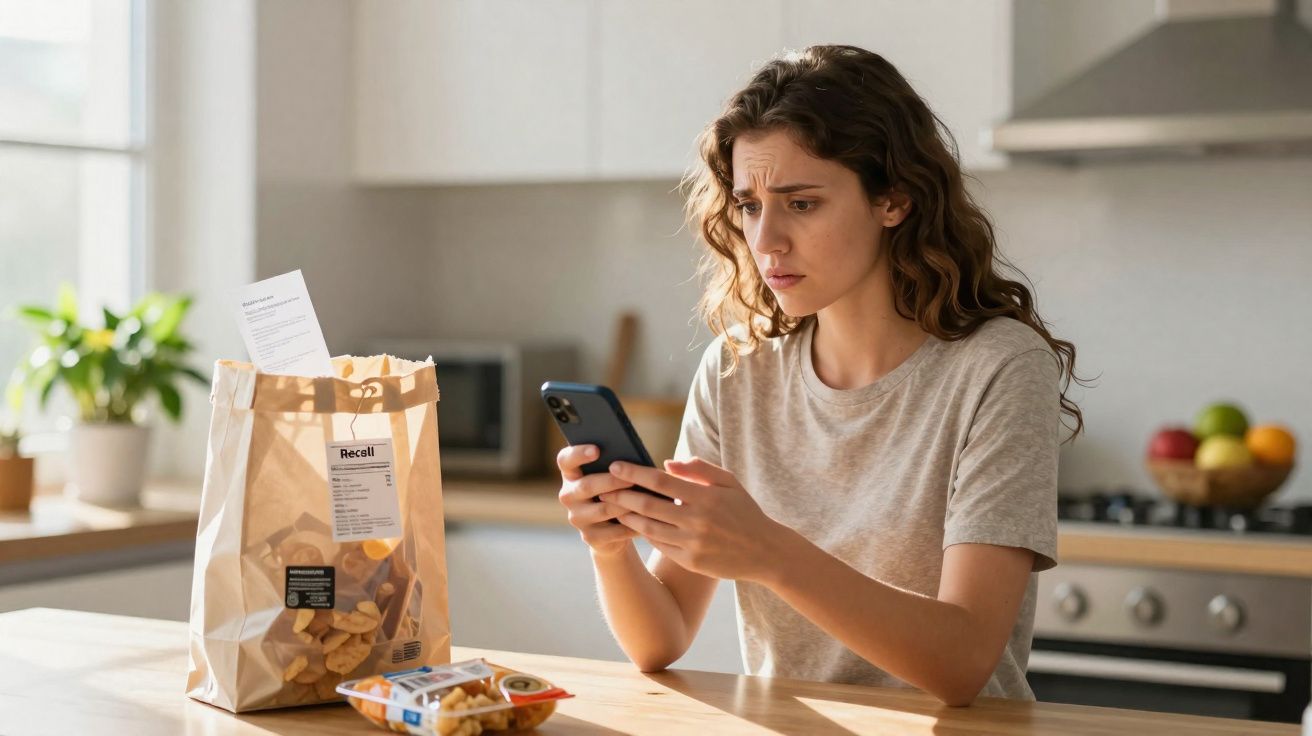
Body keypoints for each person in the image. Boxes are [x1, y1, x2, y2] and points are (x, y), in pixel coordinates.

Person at [554, 45, 1084, 706]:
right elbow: (659, 638)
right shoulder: (737, 370)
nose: (766, 239)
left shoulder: (998, 367)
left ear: (894, 199)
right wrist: (611, 548)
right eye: (748, 206)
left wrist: (770, 552)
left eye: (800, 204)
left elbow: (964, 661)